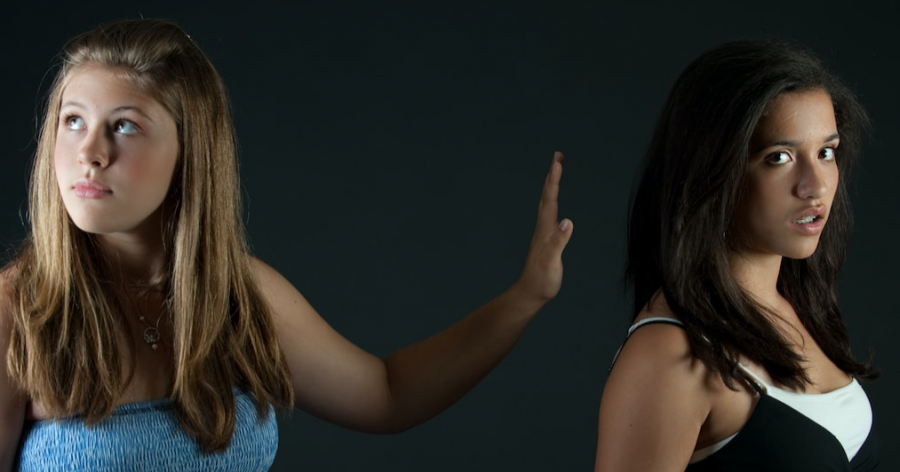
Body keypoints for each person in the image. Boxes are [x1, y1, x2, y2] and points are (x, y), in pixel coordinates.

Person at [0, 18, 573, 471]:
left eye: (124, 125)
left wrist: (524, 298)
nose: (90, 152)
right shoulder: (17, 311)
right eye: (72, 121)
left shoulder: (240, 296)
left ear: (190, 150)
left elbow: (387, 395)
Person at [594, 40, 879, 471]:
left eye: (826, 152)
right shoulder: (670, 355)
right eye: (779, 157)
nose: (816, 186)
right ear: (712, 168)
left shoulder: (796, 306)